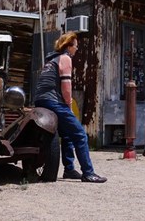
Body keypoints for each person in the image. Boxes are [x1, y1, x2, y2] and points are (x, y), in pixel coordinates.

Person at [34, 32, 107, 183]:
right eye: (76, 46)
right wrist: (68, 106)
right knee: (80, 134)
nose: (77, 49)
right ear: (68, 46)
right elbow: (66, 86)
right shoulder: (65, 58)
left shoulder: (50, 60)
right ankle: (88, 173)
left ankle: (69, 169)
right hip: (54, 101)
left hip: (41, 101)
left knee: (66, 135)